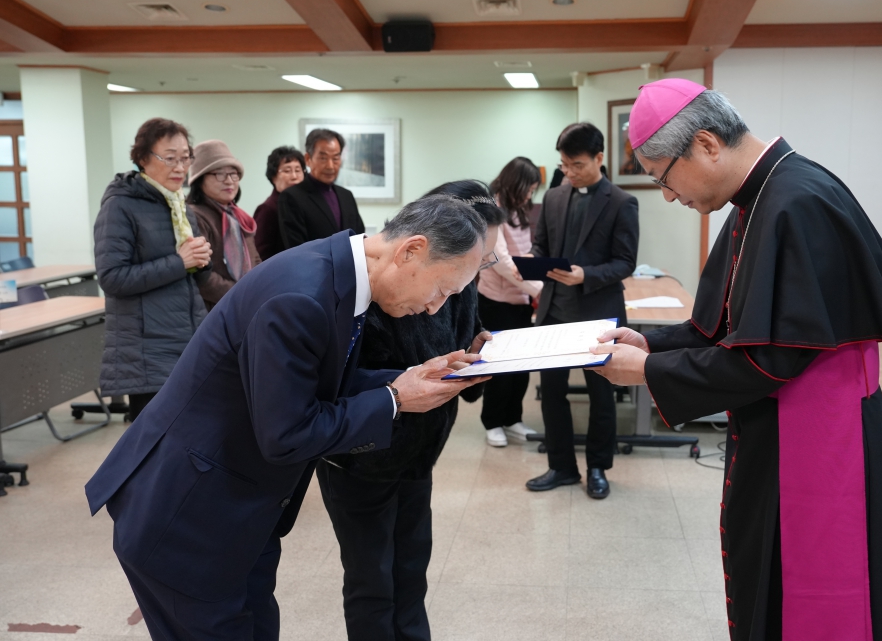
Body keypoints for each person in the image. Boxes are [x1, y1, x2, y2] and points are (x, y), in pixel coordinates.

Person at [590, 78, 882, 640]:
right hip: (783, 426)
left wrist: (649, 373)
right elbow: (725, 327)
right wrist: (653, 346)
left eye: (663, 177)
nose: (667, 196)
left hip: (818, 438)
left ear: (708, 144)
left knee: (810, 593)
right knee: (765, 573)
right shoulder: (760, 196)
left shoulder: (798, 201)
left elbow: (771, 357)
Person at [85, 196, 490, 641]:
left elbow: (319, 380)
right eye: (442, 290)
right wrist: (394, 399)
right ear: (410, 250)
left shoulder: (335, 272)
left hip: (241, 513)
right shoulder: (300, 295)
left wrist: (410, 376)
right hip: (188, 519)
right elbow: (287, 433)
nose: (436, 307)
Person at [317, 180, 504, 641]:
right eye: (475, 261)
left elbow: (463, 329)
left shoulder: (459, 280)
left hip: (419, 449)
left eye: (486, 261)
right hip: (363, 454)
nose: (473, 275)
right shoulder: (374, 287)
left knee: (411, 569)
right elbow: (337, 382)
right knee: (372, 580)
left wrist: (477, 349)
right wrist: (408, 385)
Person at [526, 123, 639, 500]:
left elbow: (625, 263)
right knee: (552, 393)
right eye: (564, 165)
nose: (569, 173)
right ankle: (561, 466)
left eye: (577, 165)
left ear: (599, 158)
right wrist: (533, 265)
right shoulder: (555, 197)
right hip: (554, 313)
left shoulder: (622, 202)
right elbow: (541, 246)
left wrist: (585, 275)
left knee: (601, 395)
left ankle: (597, 467)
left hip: (598, 315)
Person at [93, 118, 212, 423]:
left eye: (185, 157)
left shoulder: (177, 204)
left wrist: (200, 259)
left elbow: (188, 274)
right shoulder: (121, 205)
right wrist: (179, 262)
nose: (180, 166)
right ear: (143, 159)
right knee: (153, 450)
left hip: (186, 340)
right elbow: (112, 278)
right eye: (169, 158)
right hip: (147, 350)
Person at [477, 157, 543, 447]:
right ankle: (492, 422)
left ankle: (513, 419)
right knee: (499, 367)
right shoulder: (492, 209)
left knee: (522, 366)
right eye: (529, 190)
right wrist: (538, 288)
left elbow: (526, 252)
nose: (531, 196)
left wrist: (536, 284)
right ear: (516, 184)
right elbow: (500, 260)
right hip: (497, 300)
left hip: (521, 297)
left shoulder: (518, 208)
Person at [187, 140, 261, 311]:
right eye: (219, 174)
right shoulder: (194, 215)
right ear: (200, 179)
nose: (229, 181)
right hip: (214, 311)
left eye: (233, 174)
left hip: (243, 304)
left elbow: (255, 259)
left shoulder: (237, 216)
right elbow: (202, 276)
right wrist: (240, 293)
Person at [278, 128, 364, 248]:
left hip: (350, 267)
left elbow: (359, 238)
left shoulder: (346, 195)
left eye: (335, 158)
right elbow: (296, 248)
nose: (330, 166)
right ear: (308, 159)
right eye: (323, 158)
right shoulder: (291, 197)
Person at [253, 146, 305, 260]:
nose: (294, 176)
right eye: (287, 171)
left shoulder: (304, 206)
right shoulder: (267, 209)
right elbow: (261, 254)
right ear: (273, 176)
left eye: (298, 170)